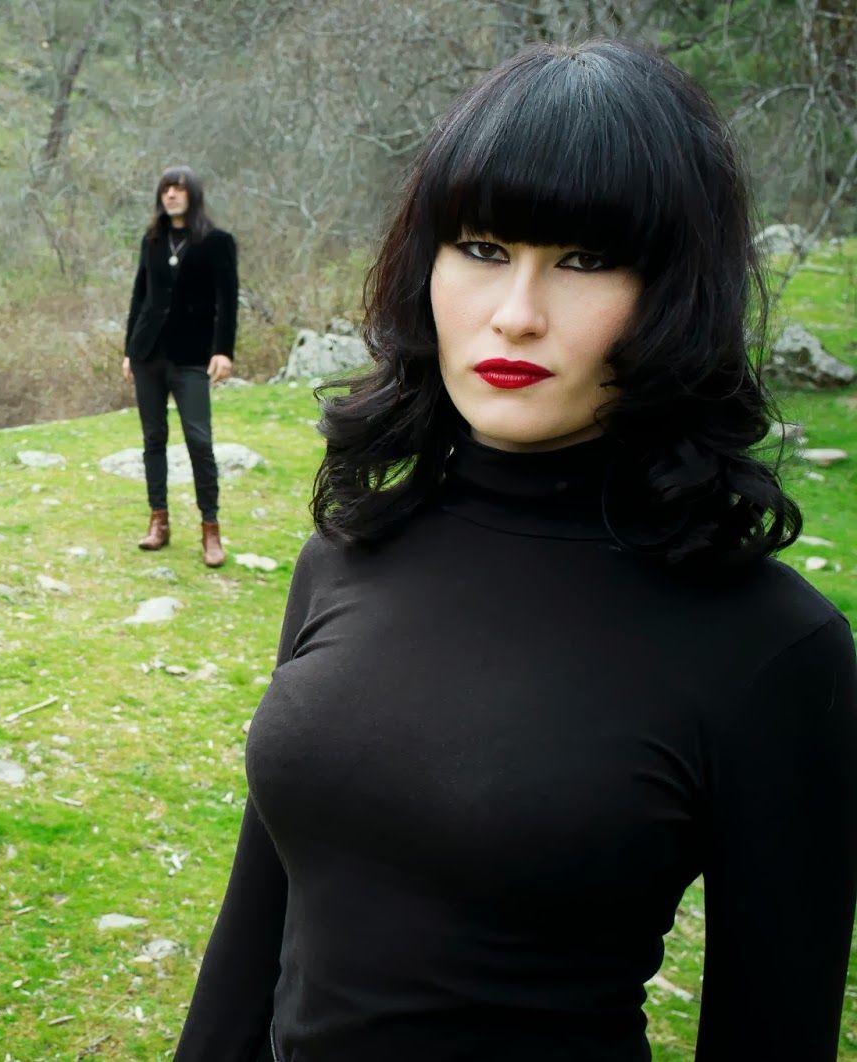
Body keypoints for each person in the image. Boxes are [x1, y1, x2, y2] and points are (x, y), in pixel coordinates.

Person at [175, 40, 857, 1061]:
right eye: (484, 247)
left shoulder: (772, 647)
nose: (516, 315)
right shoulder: (352, 550)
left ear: (676, 295)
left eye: (585, 261)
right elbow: (260, 914)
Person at [123, 166, 238, 567]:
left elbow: (227, 300)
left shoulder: (217, 242)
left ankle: (210, 528)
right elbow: (139, 295)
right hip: (148, 355)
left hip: (191, 357)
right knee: (153, 439)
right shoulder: (152, 240)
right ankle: (159, 521)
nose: (171, 194)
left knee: (199, 441)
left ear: (193, 195)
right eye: (165, 189)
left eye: (179, 188)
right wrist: (128, 351)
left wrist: (223, 351)